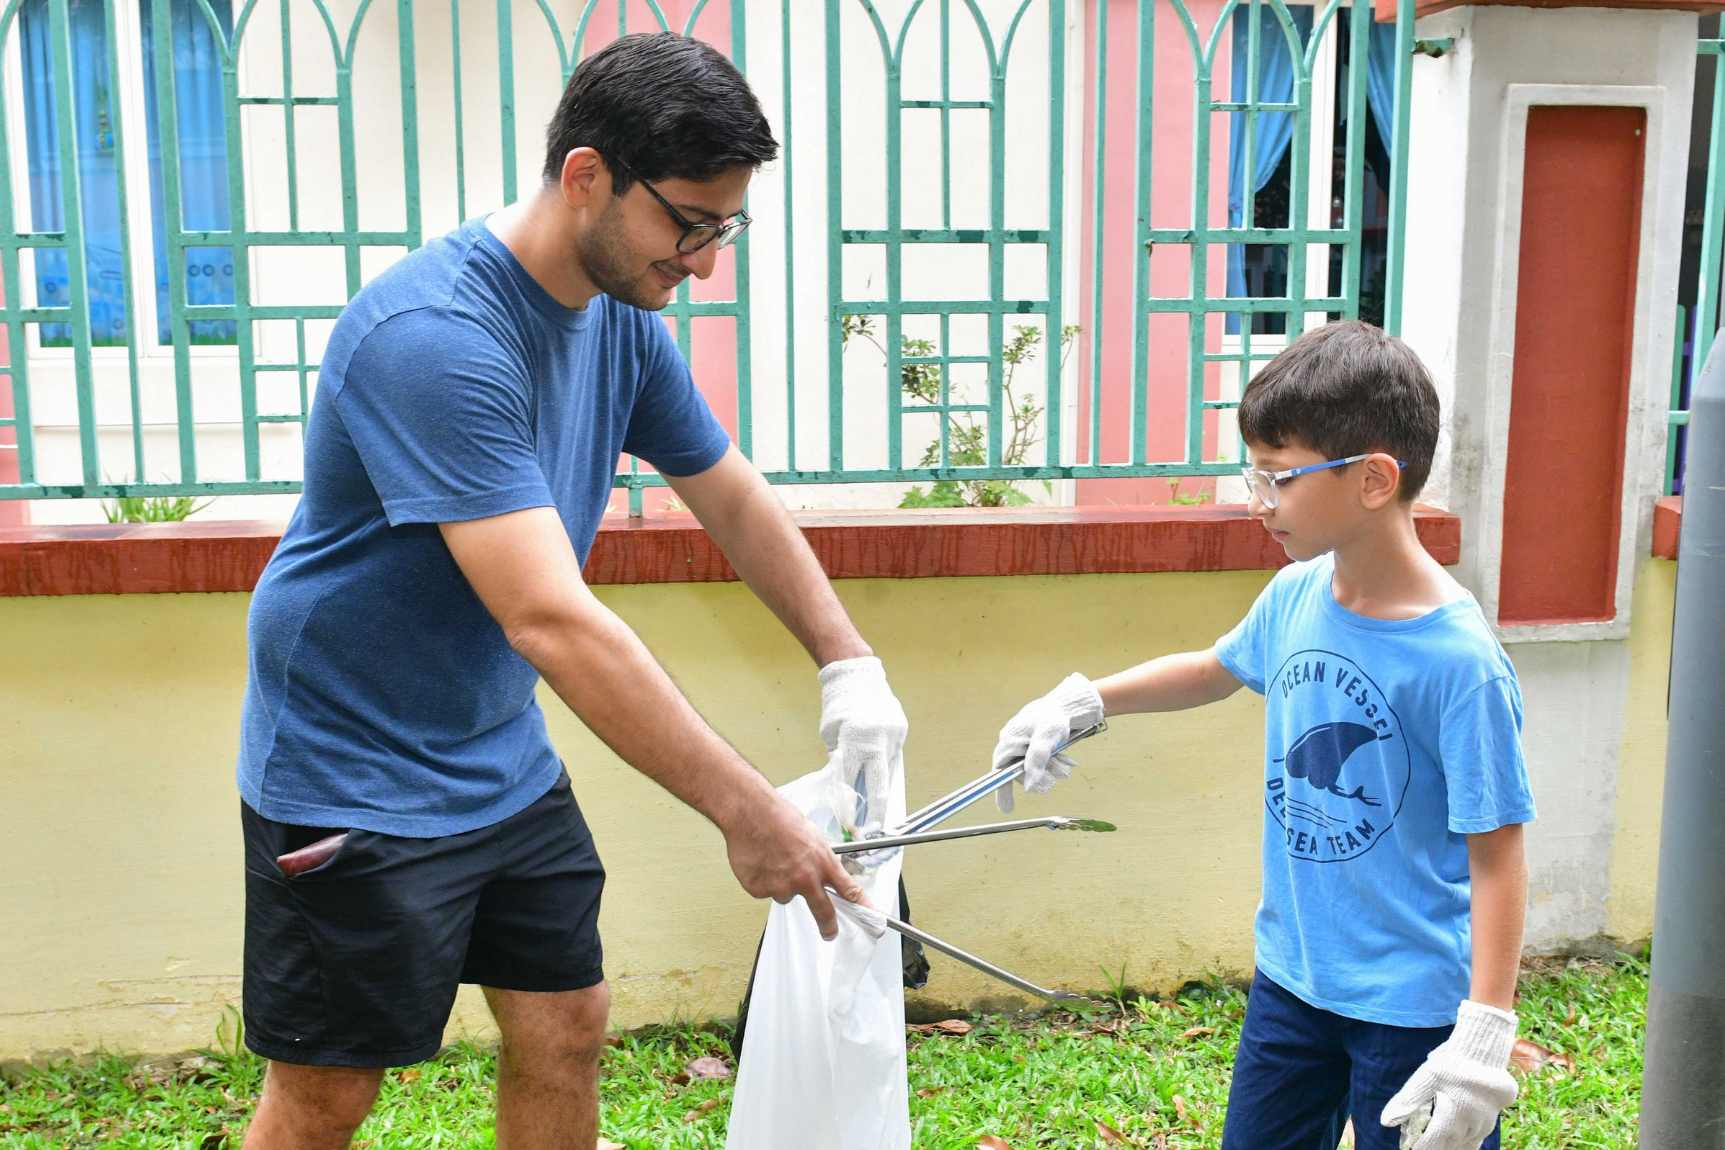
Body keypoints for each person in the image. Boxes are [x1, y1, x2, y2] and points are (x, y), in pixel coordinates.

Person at [235, 32, 904, 1150]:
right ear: (589, 175)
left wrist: (849, 660)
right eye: (689, 222)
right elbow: (550, 618)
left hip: (494, 747)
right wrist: (749, 813)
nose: (703, 261)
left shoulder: (619, 321)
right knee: (330, 1089)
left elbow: (732, 496)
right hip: (353, 768)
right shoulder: (436, 338)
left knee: (568, 1022)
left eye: (724, 226)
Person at [994, 321, 1535, 1150]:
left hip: (1411, 1005)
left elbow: (1495, 851)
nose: (1258, 500)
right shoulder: (1297, 593)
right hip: (1293, 980)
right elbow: (1215, 667)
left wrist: (1483, 1034)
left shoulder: (1458, 663)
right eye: (1254, 475)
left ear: (1372, 479)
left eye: (1278, 477)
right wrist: (1080, 702)